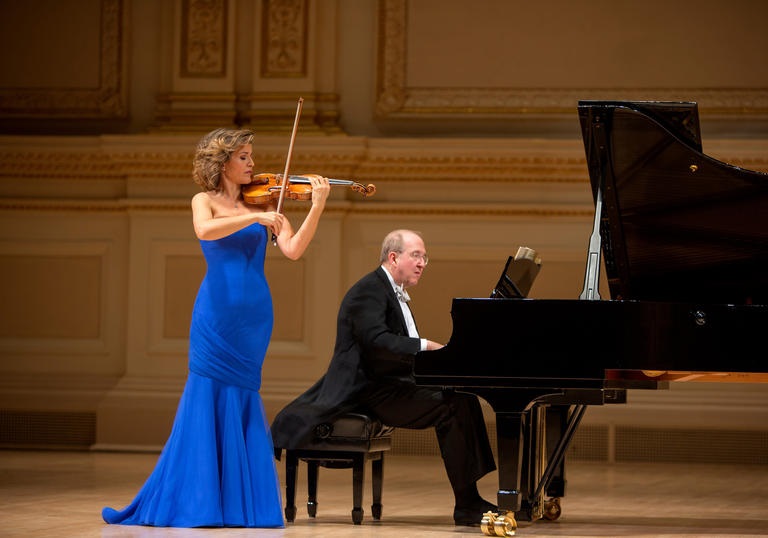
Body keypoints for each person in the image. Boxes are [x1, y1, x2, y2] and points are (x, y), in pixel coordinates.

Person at [102, 128, 331, 528]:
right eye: (244, 156)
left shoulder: (265, 202)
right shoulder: (204, 201)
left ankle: (241, 506)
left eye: (251, 156)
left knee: (243, 395)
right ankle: (199, 502)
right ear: (223, 162)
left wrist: (317, 205)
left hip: (255, 315)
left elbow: (293, 251)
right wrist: (255, 216)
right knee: (205, 394)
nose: (252, 164)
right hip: (215, 312)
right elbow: (203, 231)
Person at [270, 229, 498, 526]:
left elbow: (396, 351)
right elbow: (378, 342)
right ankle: (467, 503)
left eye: (424, 257)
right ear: (393, 257)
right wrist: (427, 346)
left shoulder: (390, 290)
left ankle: (470, 498)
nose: (422, 263)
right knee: (452, 405)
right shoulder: (370, 290)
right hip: (369, 392)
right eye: (416, 255)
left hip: (390, 385)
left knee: (461, 397)